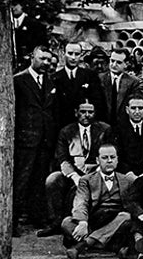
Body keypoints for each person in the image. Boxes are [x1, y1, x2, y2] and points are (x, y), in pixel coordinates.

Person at [40, 101, 113, 237]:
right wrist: (74, 176)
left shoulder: (105, 129)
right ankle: (56, 222)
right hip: (74, 173)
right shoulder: (66, 131)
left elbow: (108, 153)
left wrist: (97, 173)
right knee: (53, 180)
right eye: (83, 111)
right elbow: (62, 158)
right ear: (76, 113)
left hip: (96, 172)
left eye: (90, 112)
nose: (86, 115)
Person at [61, 144, 133, 259]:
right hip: (93, 223)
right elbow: (81, 201)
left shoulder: (127, 180)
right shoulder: (86, 180)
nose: (109, 161)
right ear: (97, 160)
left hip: (116, 224)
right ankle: (109, 246)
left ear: (117, 160)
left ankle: (84, 245)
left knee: (126, 216)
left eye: (112, 157)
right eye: (105, 158)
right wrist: (83, 222)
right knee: (66, 223)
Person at [13, 45, 58, 231]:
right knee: (21, 180)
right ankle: (12, 221)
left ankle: (36, 217)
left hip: (45, 140)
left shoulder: (51, 81)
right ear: (32, 57)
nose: (45, 63)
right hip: (25, 140)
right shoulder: (18, 80)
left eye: (48, 59)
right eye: (41, 58)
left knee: (39, 180)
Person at [52, 41, 104, 128]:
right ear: (63, 54)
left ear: (81, 55)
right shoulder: (55, 78)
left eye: (77, 54)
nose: (73, 57)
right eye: (70, 53)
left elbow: (98, 103)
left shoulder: (90, 76)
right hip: (62, 125)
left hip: (85, 124)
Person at [115, 95, 143, 176]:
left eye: (140, 108)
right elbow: (117, 156)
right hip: (126, 174)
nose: (137, 112)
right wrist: (128, 172)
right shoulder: (117, 130)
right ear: (127, 110)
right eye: (133, 108)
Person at [98, 48, 142, 126]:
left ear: (126, 64)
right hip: (102, 124)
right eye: (112, 61)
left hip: (124, 125)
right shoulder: (99, 79)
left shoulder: (133, 82)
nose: (114, 65)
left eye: (118, 62)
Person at [12, 1, 48, 69]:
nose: (13, 8)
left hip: (30, 64)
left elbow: (42, 45)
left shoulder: (35, 25)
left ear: (22, 6)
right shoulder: (5, 26)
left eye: (15, 4)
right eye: (10, 5)